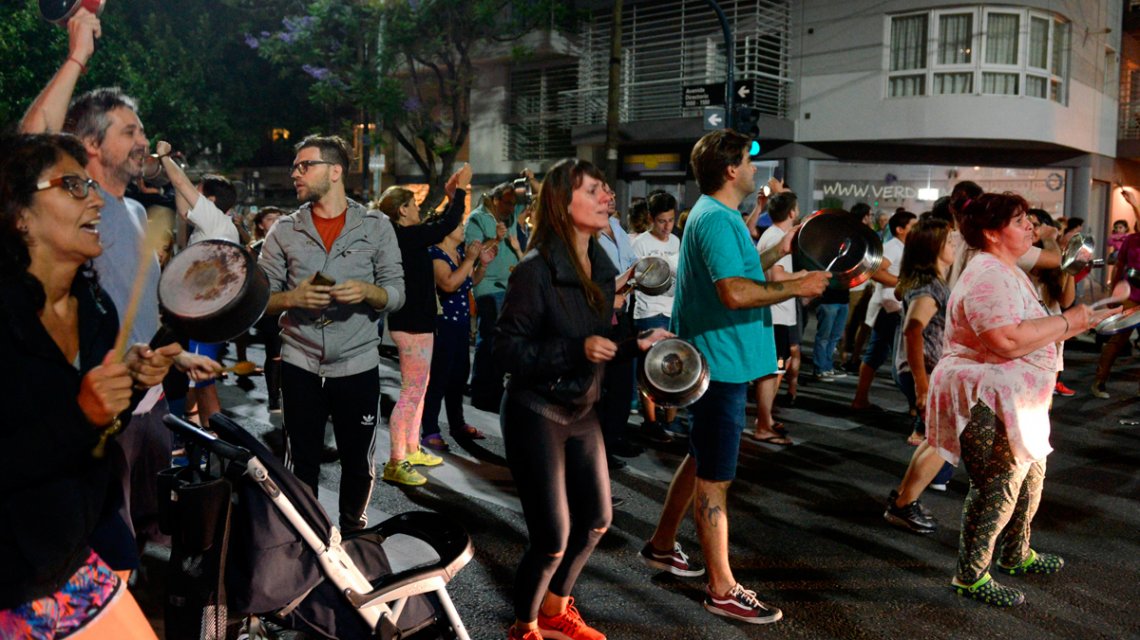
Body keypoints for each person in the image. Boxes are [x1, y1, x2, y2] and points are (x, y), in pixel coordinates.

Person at [19, 8, 221, 560]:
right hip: (86, 426)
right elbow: (27, 155)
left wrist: (163, 361)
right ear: (87, 144)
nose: (144, 141)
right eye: (130, 130)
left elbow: (136, 317)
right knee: (109, 545)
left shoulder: (132, 213)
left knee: (145, 536)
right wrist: (77, 55)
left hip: (144, 398)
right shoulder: (65, 211)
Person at [641, 129, 829, 625]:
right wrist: (797, 286)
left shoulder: (711, 215)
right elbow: (733, 293)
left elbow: (738, 273)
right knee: (716, 478)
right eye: (749, 161)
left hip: (720, 360)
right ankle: (721, 587)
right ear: (730, 170)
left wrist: (777, 252)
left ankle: (662, 545)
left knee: (700, 457)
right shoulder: (718, 221)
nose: (755, 170)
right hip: (720, 364)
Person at [0, 132, 179, 638]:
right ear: (18, 214)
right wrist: (80, 417)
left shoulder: (96, 310)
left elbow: (96, 434)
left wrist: (125, 388)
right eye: (74, 185)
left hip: (76, 557)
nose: (97, 199)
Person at [496, 158, 671, 640]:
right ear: (562, 202)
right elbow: (504, 350)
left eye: (605, 190)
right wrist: (575, 349)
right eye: (594, 190)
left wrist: (637, 344)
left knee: (595, 520)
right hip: (537, 412)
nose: (607, 197)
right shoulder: (533, 272)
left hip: (582, 407)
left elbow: (600, 337)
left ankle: (555, 609)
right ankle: (524, 626)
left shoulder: (601, 262)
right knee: (551, 539)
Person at [926, 193, 1114, 607]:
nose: (1031, 226)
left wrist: (1080, 320)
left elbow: (1027, 326)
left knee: (1029, 480)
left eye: (1028, 218)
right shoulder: (988, 275)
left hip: (1018, 398)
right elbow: (1006, 340)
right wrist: (1070, 321)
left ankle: (1015, 553)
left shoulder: (1005, 267)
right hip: (989, 399)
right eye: (1019, 221)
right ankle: (970, 576)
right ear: (992, 234)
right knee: (998, 485)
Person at [258, 134, 405, 532]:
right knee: (301, 458)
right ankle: (307, 537)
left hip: (357, 363)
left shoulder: (376, 226)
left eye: (305, 165)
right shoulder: (284, 231)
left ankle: (353, 529)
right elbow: (258, 299)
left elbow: (396, 293)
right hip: (299, 361)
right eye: (294, 166)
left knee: (358, 459)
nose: (295, 173)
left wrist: (370, 292)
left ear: (335, 170)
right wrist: (293, 297)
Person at [376, 164, 472, 485]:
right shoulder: (404, 237)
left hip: (417, 322)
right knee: (411, 391)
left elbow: (437, 223)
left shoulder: (405, 236)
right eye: (415, 204)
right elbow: (443, 224)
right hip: (412, 324)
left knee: (419, 388)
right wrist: (459, 192)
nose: (419, 208)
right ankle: (395, 460)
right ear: (403, 210)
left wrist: (449, 199)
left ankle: (412, 446)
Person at [155, 141, 243, 426]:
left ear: (211, 201)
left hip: (206, 314)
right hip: (207, 313)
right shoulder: (215, 225)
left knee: (202, 382)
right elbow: (183, 205)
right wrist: (176, 170)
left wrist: (165, 157)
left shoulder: (215, 219)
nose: (194, 194)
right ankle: (202, 437)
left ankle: (216, 442)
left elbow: (181, 184)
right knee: (198, 381)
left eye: (200, 191)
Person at [883, 218, 956, 533]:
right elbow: (914, 331)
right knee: (943, 442)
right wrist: (923, 386)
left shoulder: (925, 281)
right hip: (924, 369)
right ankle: (903, 504)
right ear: (934, 248)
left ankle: (903, 499)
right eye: (949, 242)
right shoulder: (930, 286)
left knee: (938, 439)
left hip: (926, 369)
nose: (954, 247)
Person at [420, 217, 495, 453]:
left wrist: (481, 265)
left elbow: (467, 282)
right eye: (459, 225)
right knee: (439, 378)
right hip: (443, 325)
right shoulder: (435, 254)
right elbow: (449, 284)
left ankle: (457, 423)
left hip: (461, 324)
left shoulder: (460, 253)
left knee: (459, 376)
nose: (463, 228)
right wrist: (471, 260)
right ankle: (430, 429)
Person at [597, 183, 646, 464]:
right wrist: (626, 278)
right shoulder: (587, 233)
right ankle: (600, 444)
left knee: (622, 382)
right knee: (601, 384)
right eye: (605, 191)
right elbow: (600, 281)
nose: (612, 196)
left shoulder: (617, 227)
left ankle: (614, 436)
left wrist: (626, 282)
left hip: (622, 311)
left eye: (612, 192)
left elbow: (631, 266)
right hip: (601, 316)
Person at [466, 183, 523, 412]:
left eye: (513, 203)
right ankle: (481, 390)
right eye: (507, 202)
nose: (511, 208)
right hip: (489, 287)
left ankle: (494, 387)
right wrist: (496, 239)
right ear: (495, 199)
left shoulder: (512, 217)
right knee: (489, 337)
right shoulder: (477, 219)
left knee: (503, 341)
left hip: (511, 287)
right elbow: (474, 253)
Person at [851, 211, 915, 410]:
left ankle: (860, 399)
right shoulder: (892, 247)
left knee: (879, 354)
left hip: (893, 307)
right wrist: (901, 284)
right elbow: (875, 271)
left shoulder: (903, 247)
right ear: (900, 229)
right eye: (913, 225)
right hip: (886, 308)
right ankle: (860, 399)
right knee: (877, 354)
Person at [631, 191, 682, 440]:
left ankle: (670, 419)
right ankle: (650, 422)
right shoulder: (639, 243)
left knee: (672, 365)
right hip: (649, 312)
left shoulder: (675, 242)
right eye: (662, 221)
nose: (667, 226)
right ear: (651, 218)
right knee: (651, 367)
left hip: (671, 309)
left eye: (671, 220)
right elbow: (632, 279)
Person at [753, 190, 800, 444]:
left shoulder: (774, 234)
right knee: (774, 370)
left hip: (779, 314)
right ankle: (763, 422)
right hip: (776, 314)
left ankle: (765, 418)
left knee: (775, 369)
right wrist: (804, 277)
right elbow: (777, 278)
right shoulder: (776, 237)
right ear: (792, 212)